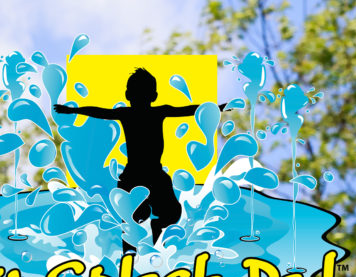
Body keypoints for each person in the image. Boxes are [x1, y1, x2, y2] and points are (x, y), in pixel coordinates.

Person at [53, 68, 229, 246]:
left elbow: (99, 111)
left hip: (139, 175)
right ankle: (148, 233)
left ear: (128, 95)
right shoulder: (152, 112)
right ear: (154, 95)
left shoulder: (131, 113)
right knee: (157, 215)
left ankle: (139, 242)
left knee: (147, 217)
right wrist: (216, 109)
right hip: (146, 175)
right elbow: (189, 110)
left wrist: (72, 110)